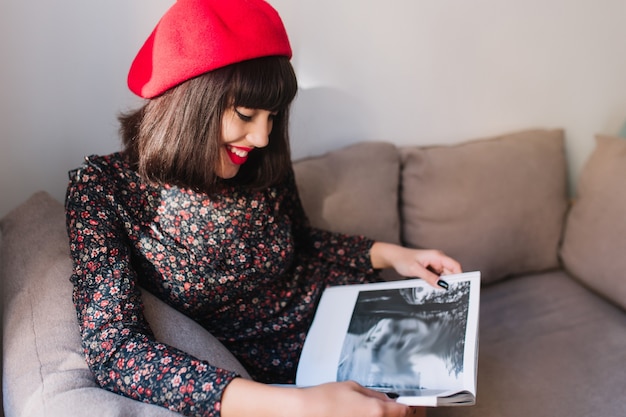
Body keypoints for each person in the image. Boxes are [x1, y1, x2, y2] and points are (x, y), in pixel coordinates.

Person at [64, 1, 462, 417]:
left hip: (350, 317)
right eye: (246, 114)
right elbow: (115, 350)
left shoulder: (257, 162)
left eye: (272, 117)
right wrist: (302, 405)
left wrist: (397, 255)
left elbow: (302, 240)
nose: (261, 137)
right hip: (288, 376)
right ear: (189, 105)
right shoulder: (105, 190)